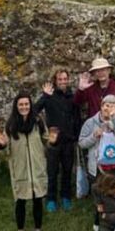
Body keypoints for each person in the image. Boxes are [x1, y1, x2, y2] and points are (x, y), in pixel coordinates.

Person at [0, 93, 50, 231]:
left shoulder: (38, 122)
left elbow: (46, 139)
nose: (24, 107)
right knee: (20, 201)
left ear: (30, 106)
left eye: (26, 104)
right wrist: (1, 145)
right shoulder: (10, 125)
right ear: (16, 107)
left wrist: (52, 140)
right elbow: (4, 146)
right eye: (21, 105)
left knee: (38, 200)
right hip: (20, 169)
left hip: (37, 168)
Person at [35, 68, 79, 213]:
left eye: (65, 79)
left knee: (67, 171)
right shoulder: (49, 96)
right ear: (55, 80)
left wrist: (76, 136)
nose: (63, 82)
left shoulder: (72, 96)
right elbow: (34, 110)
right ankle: (51, 199)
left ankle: (66, 196)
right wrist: (45, 96)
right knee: (52, 172)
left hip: (68, 140)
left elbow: (77, 117)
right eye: (60, 79)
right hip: (53, 141)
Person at [79, 94, 115, 188]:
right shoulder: (90, 123)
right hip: (98, 166)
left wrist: (113, 117)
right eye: (107, 106)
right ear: (101, 106)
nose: (108, 109)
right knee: (100, 192)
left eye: (112, 106)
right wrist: (94, 136)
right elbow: (82, 143)